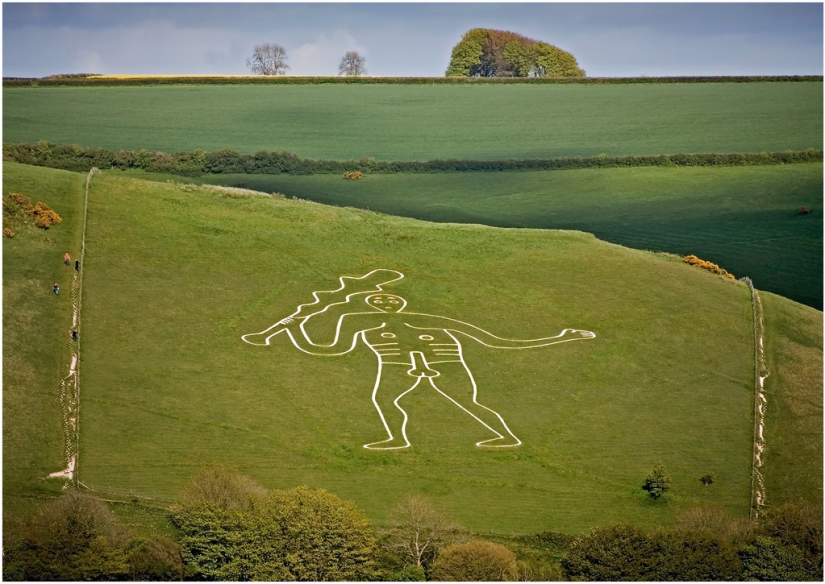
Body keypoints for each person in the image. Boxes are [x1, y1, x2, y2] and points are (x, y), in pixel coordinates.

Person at [244, 288, 595, 450]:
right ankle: (397, 437)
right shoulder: (359, 322)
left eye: (390, 300)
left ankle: (504, 436)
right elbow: (327, 349)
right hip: (396, 364)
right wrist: (294, 329)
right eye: (379, 301)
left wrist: (562, 338)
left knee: (469, 402)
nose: (385, 303)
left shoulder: (431, 319)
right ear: (370, 303)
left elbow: (495, 341)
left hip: (445, 361)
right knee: (384, 399)